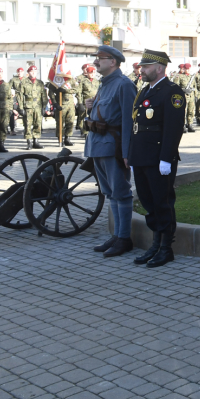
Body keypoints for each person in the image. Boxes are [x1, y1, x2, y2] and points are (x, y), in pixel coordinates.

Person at [128, 49, 186, 268]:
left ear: (159, 68)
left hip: (158, 157)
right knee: (148, 201)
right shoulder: (145, 91)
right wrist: (131, 155)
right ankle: (155, 243)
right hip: (142, 155)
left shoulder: (172, 92)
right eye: (141, 67)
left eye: (145, 67)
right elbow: (136, 126)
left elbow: (173, 128)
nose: (141, 70)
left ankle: (165, 248)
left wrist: (166, 158)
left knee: (162, 202)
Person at [84, 45, 138, 258]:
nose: (95, 62)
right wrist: (89, 107)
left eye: (100, 58)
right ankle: (117, 235)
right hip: (98, 146)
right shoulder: (105, 84)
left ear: (113, 62)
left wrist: (127, 152)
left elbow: (128, 122)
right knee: (110, 194)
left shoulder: (124, 85)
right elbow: (103, 115)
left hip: (113, 148)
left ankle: (124, 238)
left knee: (121, 194)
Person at [19, 66, 46, 149]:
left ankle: (36, 141)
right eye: (31, 71)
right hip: (28, 106)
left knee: (37, 124)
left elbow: (44, 95)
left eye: (35, 71)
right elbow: (20, 96)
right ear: (28, 72)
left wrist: (44, 106)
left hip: (38, 106)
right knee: (27, 124)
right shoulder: (23, 82)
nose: (33, 72)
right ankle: (29, 142)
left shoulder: (40, 83)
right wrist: (20, 107)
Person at [47, 75, 77, 147]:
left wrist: (66, 90)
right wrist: (55, 103)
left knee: (70, 122)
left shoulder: (71, 79)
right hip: (61, 103)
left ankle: (67, 138)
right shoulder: (55, 80)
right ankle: (60, 138)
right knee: (60, 123)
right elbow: (50, 93)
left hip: (70, 104)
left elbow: (76, 89)